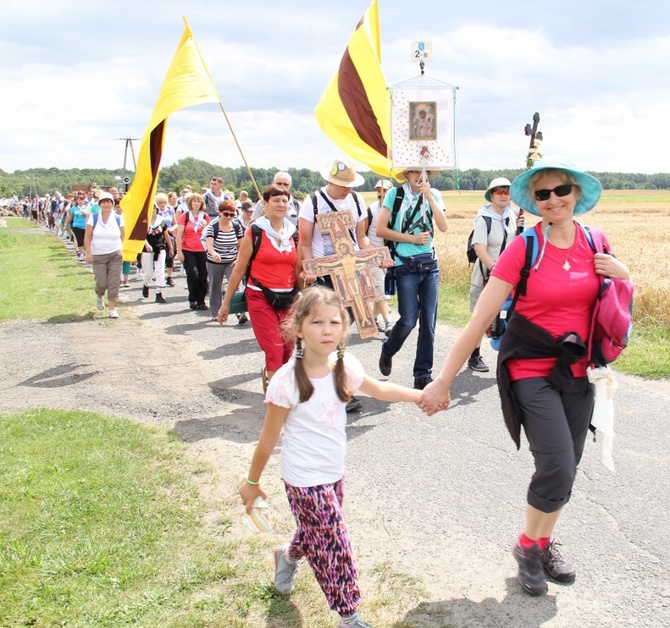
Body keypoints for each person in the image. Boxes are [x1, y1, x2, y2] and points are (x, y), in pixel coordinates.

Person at [417, 157, 631, 596]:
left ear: (576, 194)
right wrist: (444, 381)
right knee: (556, 461)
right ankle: (528, 549)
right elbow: (479, 319)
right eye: (543, 194)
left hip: (578, 370)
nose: (553, 200)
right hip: (529, 367)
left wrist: (625, 275)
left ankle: (541, 541)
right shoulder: (524, 247)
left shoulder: (597, 241)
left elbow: (614, 301)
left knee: (567, 468)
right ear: (533, 202)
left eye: (561, 191)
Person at [239, 286, 421, 628]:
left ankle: (287, 554)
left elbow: (379, 390)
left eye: (335, 322)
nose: (327, 330)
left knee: (316, 532)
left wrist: (420, 396)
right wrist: (251, 482)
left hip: (333, 472)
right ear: (297, 328)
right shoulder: (287, 381)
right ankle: (349, 616)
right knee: (334, 541)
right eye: (317, 322)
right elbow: (268, 439)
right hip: (302, 479)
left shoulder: (344, 365)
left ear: (344, 329)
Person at [299, 158, 378, 413]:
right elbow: (304, 241)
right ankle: (329, 387)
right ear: (330, 181)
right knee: (329, 330)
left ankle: (332, 383)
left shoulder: (356, 201)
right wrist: (308, 269)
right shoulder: (312, 203)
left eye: (350, 184)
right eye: (343, 184)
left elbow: (361, 237)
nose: (347, 189)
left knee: (341, 331)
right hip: (323, 275)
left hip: (351, 272)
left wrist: (374, 256)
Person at [218, 185, 304, 392]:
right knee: (274, 347)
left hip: (289, 298)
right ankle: (278, 398)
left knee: (287, 348)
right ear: (265, 204)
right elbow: (238, 270)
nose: (281, 204)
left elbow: (298, 268)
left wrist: (306, 288)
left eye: (285, 201)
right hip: (259, 297)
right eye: (275, 200)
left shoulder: (294, 234)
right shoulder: (255, 232)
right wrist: (226, 305)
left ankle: (271, 377)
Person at [375, 169, 448, 390]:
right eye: (414, 172)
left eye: (423, 172)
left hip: (429, 265)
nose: (419, 176)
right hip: (404, 265)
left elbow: (443, 226)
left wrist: (429, 197)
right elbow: (380, 230)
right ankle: (388, 350)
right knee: (408, 319)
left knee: (429, 322)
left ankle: (422, 375)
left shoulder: (433, 193)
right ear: (406, 175)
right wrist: (412, 238)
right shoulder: (395, 195)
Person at [467, 177, 524, 373]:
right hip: (486, 275)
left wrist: (521, 228)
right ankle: (474, 356)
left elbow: (518, 245)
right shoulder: (484, 218)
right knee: (480, 318)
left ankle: (507, 355)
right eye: (499, 192)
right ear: (491, 195)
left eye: (507, 192)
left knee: (508, 315)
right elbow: (480, 248)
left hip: (508, 278)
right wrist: (495, 268)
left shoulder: (514, 216)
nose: (503, 195)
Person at [84, 191, 125, 318]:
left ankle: (112, 308)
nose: (106, 204)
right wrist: (88, 253)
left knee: (114, 282)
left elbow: (123, 235)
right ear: (100, 204)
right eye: (104, 202)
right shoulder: (94, 217)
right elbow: (87, 236)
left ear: (112, 204)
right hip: (98, 254)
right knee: (101, 282)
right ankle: (99, 295)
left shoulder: (118, 218)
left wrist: (122, 250)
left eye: (108, 202)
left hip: (115, 254)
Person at [203, 199, 245, 321]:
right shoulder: (213, 227)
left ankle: (239, 313)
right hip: (214, 261)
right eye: (226, 214)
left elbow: (240, 245)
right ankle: (216, 313)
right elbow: (209, 244)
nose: (229, 217)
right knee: (215, 286)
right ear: (220, 213)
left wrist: (238, 259)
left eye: (232, 214)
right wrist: (214, 253)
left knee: (235, 285)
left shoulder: (237, 226)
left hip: (231, 260)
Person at [366, 179, 394, 336]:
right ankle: (388, 322)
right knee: (380, 287)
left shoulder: (394, 210)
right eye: (378, 190)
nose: (380, 193)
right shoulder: (370, 210)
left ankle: (374, 319)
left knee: (379, 289)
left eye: (384, 190)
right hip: (373, 254)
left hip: (388, 256)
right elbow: (362, 234)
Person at [176, 193, 211, 310]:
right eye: (194, 201)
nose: (196, 203)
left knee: (203, 275)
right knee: (193, 274)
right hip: (188, 249)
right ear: (190, 203)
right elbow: (179, 234)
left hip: (202, 250)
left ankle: (201, 300)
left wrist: (205, 226)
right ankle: (192, 299)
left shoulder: (205, 217)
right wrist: (179, 251)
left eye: (198, 201)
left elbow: (210, 234)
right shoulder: (185, 216)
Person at [140, 198, 173, 304]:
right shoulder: (144, 221)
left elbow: (166, 234)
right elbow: (141, 235)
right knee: (148, 272)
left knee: (160, 271)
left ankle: (159, 292)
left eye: (154, 208)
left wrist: (170, 248)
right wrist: (146, 244)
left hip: (160, 248)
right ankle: (146, 284)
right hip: (147, 249)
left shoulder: (161, 220)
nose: (152, 210)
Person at [65, 191, 89, 259]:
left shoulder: (87, 208)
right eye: (79, 200)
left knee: (85, 241)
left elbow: (89, 216)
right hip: (76, 226)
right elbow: (70, 217)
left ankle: (86, 253)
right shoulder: (74, 208)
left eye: (82, 200)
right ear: (77, 201)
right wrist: (66, 225)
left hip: (85, 226)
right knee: (79, 240)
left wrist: (84, 213)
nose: (81, 201)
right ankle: (81, 254)